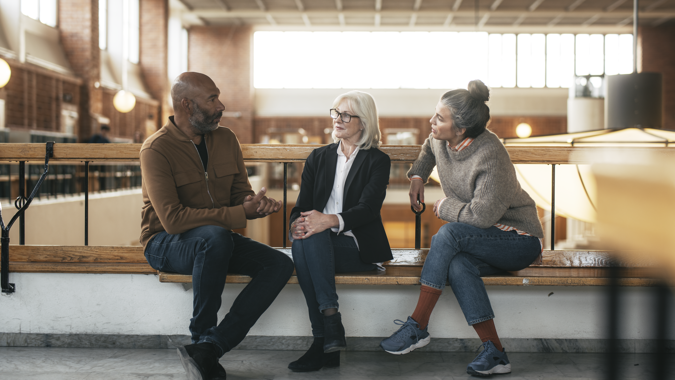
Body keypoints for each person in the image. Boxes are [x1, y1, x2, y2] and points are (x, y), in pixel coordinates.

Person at [379, 80, 543, 377]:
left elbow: (480, 217)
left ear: (461, 129)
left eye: (439, 119)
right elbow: (429, 148)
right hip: (482, 239)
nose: (432, 122)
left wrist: (444, 207)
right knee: (457, 265)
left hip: (518, 239)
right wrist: (418, 175)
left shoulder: (491, 155)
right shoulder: (442, 139)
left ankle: (417, 325)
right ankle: (496, 353)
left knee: (449, 232)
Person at [140, 72, 294, 380]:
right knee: (215, 236)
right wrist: (238, 213)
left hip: (217, 240)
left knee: (278, 264)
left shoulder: (226, 139)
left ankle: (210, 347)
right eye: (212, 99)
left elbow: (240, 193)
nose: (221, 105)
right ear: (187, 105)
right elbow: (172, 220)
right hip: (165, 243)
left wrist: (255, 204)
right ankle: (201, 335)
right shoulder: (156, 149)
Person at [287, 91, 393, 372]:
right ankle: (330, 334)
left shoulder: (377, 161)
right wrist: (297, 225)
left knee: (310, 239)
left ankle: (324, 334)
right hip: (318, 243)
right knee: (306, 238)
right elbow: (302, 208)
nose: (338, 119)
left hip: (358, 247)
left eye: (346, 114)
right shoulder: (318, 157)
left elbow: (368, 210)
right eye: (335, 112)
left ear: (364, 121)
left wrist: (328, 221)